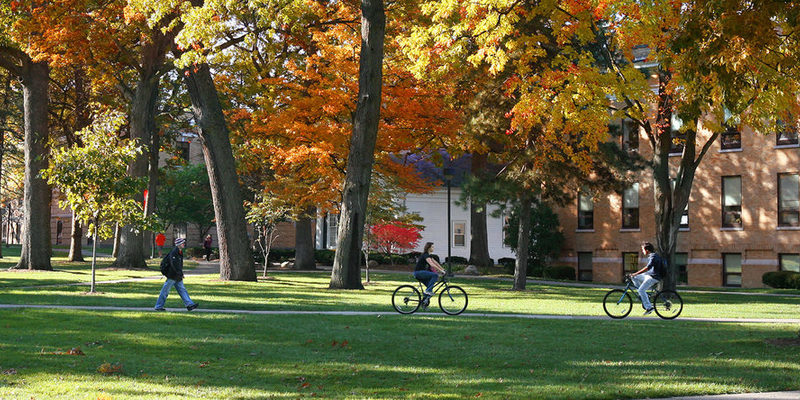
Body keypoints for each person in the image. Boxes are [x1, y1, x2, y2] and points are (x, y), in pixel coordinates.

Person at [155, 238, 198, 311]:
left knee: (182, 290)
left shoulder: (179, 252)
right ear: (178, 244)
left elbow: (178, 265)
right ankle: (158, 306)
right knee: (165, 291)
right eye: (182, 243)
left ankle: (189, 305)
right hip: (172, 275)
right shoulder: (174, 252)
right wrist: (179, 273)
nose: (184, 244)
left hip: (177, 275)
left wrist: (180, 273)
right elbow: (174, 265)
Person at [630, 242, 664, 315]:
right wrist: (634, 274)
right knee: (634, 277)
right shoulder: (652, 256)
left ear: (647, 250)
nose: (642, 251)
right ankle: (642, 295)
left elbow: (648, 268)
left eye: (643, 250)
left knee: (641, 289)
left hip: (654, 277)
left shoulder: (653, 257)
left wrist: (636, 273)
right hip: (649, 276)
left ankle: (649, 308)